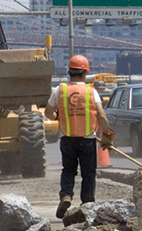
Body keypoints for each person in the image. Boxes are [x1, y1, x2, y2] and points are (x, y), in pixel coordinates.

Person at [44, 55, 114, 219]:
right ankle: (88, 205)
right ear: (85, 73)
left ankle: (66, 196)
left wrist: (57, 118)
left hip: (67, 138)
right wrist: (107, 136)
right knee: (88, 173)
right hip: (88, 139)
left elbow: (47, 112)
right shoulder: (91, 91)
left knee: (68, 170)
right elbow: (102, 117)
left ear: (69, 72)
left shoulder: (60, 90)